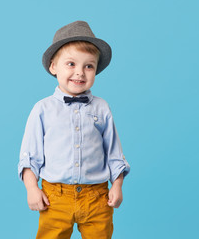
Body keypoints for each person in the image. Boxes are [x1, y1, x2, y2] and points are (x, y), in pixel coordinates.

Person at [18, 20, 130, 239]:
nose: (80, 73)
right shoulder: (43, 109)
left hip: (97, 196)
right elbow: (30, 156)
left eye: (89, 66)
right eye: (71, 64)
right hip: (55, 197)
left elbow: (114, 154)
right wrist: (32, 189)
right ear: (53, 66)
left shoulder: (102, 107)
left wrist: (117, 186)